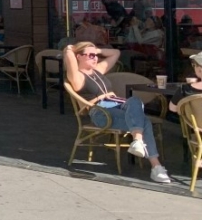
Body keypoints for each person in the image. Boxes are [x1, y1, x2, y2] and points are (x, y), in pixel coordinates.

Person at [64, 42, 170, 183]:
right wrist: (69, 48)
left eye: (96, 55)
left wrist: (97, 49)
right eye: (90, 55)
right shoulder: (77, 77)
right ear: (79, 57)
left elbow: (115, 53)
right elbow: (68, 54)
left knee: (135, 100)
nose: (95, 58)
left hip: (118, 105)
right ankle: (156, 167)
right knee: (145, 122)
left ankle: (138, 142)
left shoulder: (97, 70)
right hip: (101, 112)